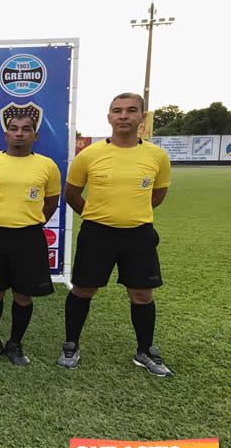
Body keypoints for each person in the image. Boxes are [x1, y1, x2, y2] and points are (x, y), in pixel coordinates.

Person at [57, 92, 173, 376]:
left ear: (141, 117)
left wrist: (130, 213)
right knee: (83, 289)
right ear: (109, 117)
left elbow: (157, 195)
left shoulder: (157, 156)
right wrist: (97, 215)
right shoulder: (90, 155)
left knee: (142, 294)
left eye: (131, 110)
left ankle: (144, 350)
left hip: (139, 235)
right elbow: (72, 193)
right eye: (117, 110)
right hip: (97, 234)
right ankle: (71, 344)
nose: (123, 115)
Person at [0, 114, 61, 366]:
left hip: (29, 236)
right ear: (6, 134)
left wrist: (31, 221)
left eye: (26, 129)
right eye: (14, 128)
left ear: (35, 135)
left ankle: (15, 343)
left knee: (24, 295)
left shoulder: (48, 166)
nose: (19, 133)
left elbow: (51, 201)